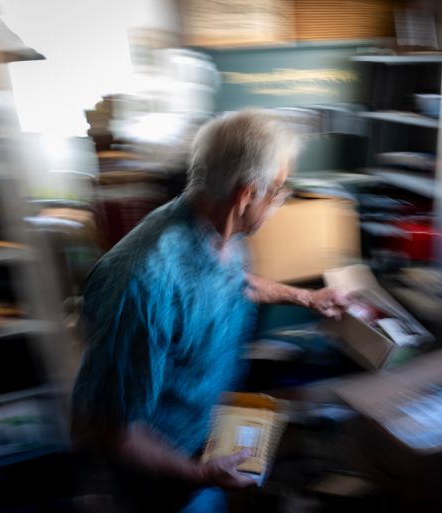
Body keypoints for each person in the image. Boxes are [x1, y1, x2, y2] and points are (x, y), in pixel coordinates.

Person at [71, 110, 348, 512]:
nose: (281, 200)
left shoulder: (219, 226)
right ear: (246, 195)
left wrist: (308, 298)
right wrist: (198, 474)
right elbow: (111, 430)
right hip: (164, 478)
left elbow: (229, 283)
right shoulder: (140, 285)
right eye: (279, 191)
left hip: (208, 439)